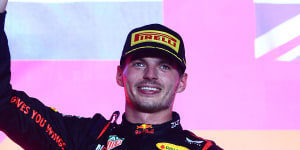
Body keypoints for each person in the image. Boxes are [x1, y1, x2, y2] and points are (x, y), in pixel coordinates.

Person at [0, 1, 223, 149]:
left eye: (164, 67)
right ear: (119, 75)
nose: (150, 74)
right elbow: (3, 104)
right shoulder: (83, 138)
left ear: (181, 82)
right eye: (138, 64)